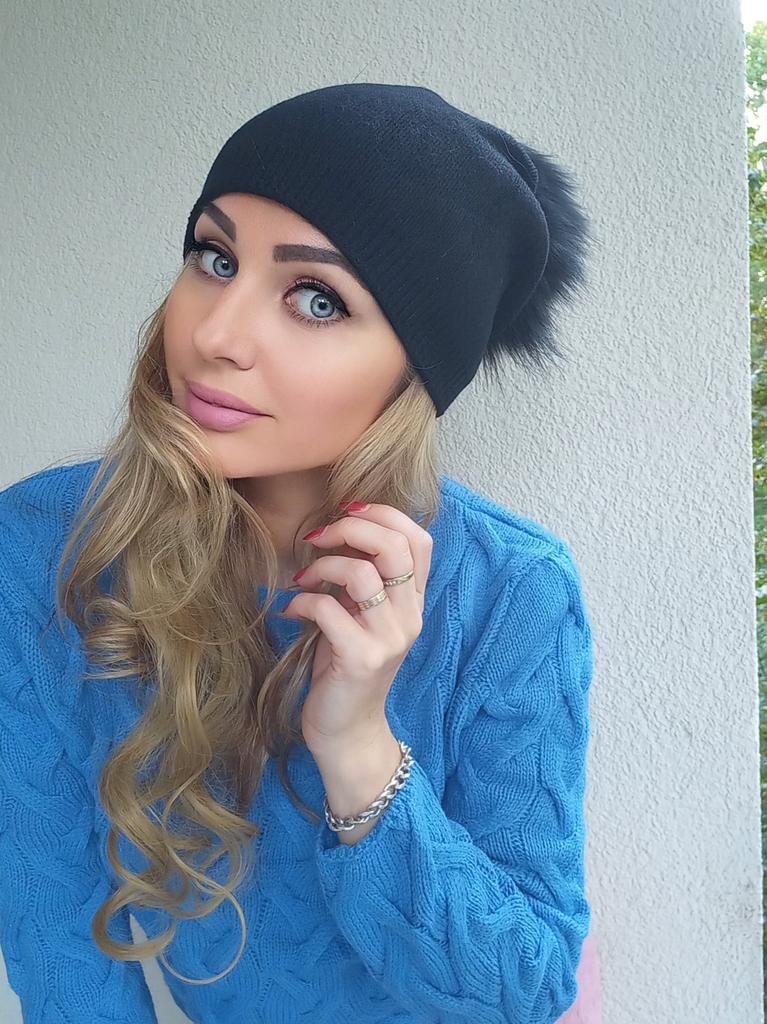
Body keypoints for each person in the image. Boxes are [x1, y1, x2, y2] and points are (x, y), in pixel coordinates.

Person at [0, 82, 600, 1023]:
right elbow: (61, 945)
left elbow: (522, 991)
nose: (215, 335)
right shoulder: (44, 548)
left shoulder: (511, 594)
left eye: (316, 298)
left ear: (414, 370)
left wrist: (357, 746)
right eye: (215, 257)